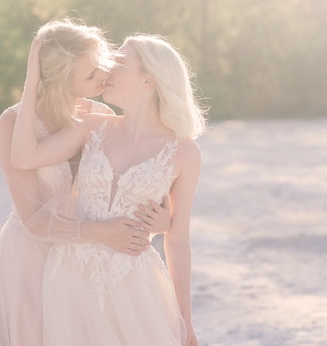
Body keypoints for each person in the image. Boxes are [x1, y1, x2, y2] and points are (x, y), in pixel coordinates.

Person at [12, 33, 206, 346]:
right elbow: (23, 157)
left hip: (134, 283)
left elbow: (179, 240)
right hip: (69, 278)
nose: (106, 72)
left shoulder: (184, 153)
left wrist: (185, 320)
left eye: (118, 65)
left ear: (149, 80)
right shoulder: (93, 126)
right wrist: (33, 79)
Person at [0, 19, 170, 346]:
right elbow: (33, 218)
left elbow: (131, 182)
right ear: (59, 82)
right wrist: (101, 233)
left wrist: (163, 219)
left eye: (100, 66)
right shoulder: (12, 123)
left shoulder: (98, 113)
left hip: (86, 257)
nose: (104, 76)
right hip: (32, 254)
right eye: (90, 75)